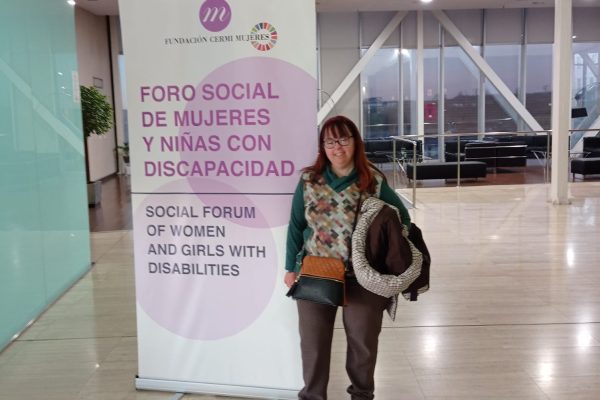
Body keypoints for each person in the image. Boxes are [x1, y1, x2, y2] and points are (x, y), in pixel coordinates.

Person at [284, 115, 411, 400]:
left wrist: (386, 250)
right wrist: (290, 267)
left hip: (362, 277)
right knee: (313, 346)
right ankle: (313, 397)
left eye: (343, 139)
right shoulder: (309, 180)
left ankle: (361, 395)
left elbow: (402, 218)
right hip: (316, 272)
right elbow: (296, 226)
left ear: (355, 142)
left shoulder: (373, 181)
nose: (337, 147)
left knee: (362, 345)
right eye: (329, 142)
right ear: (322, 146)